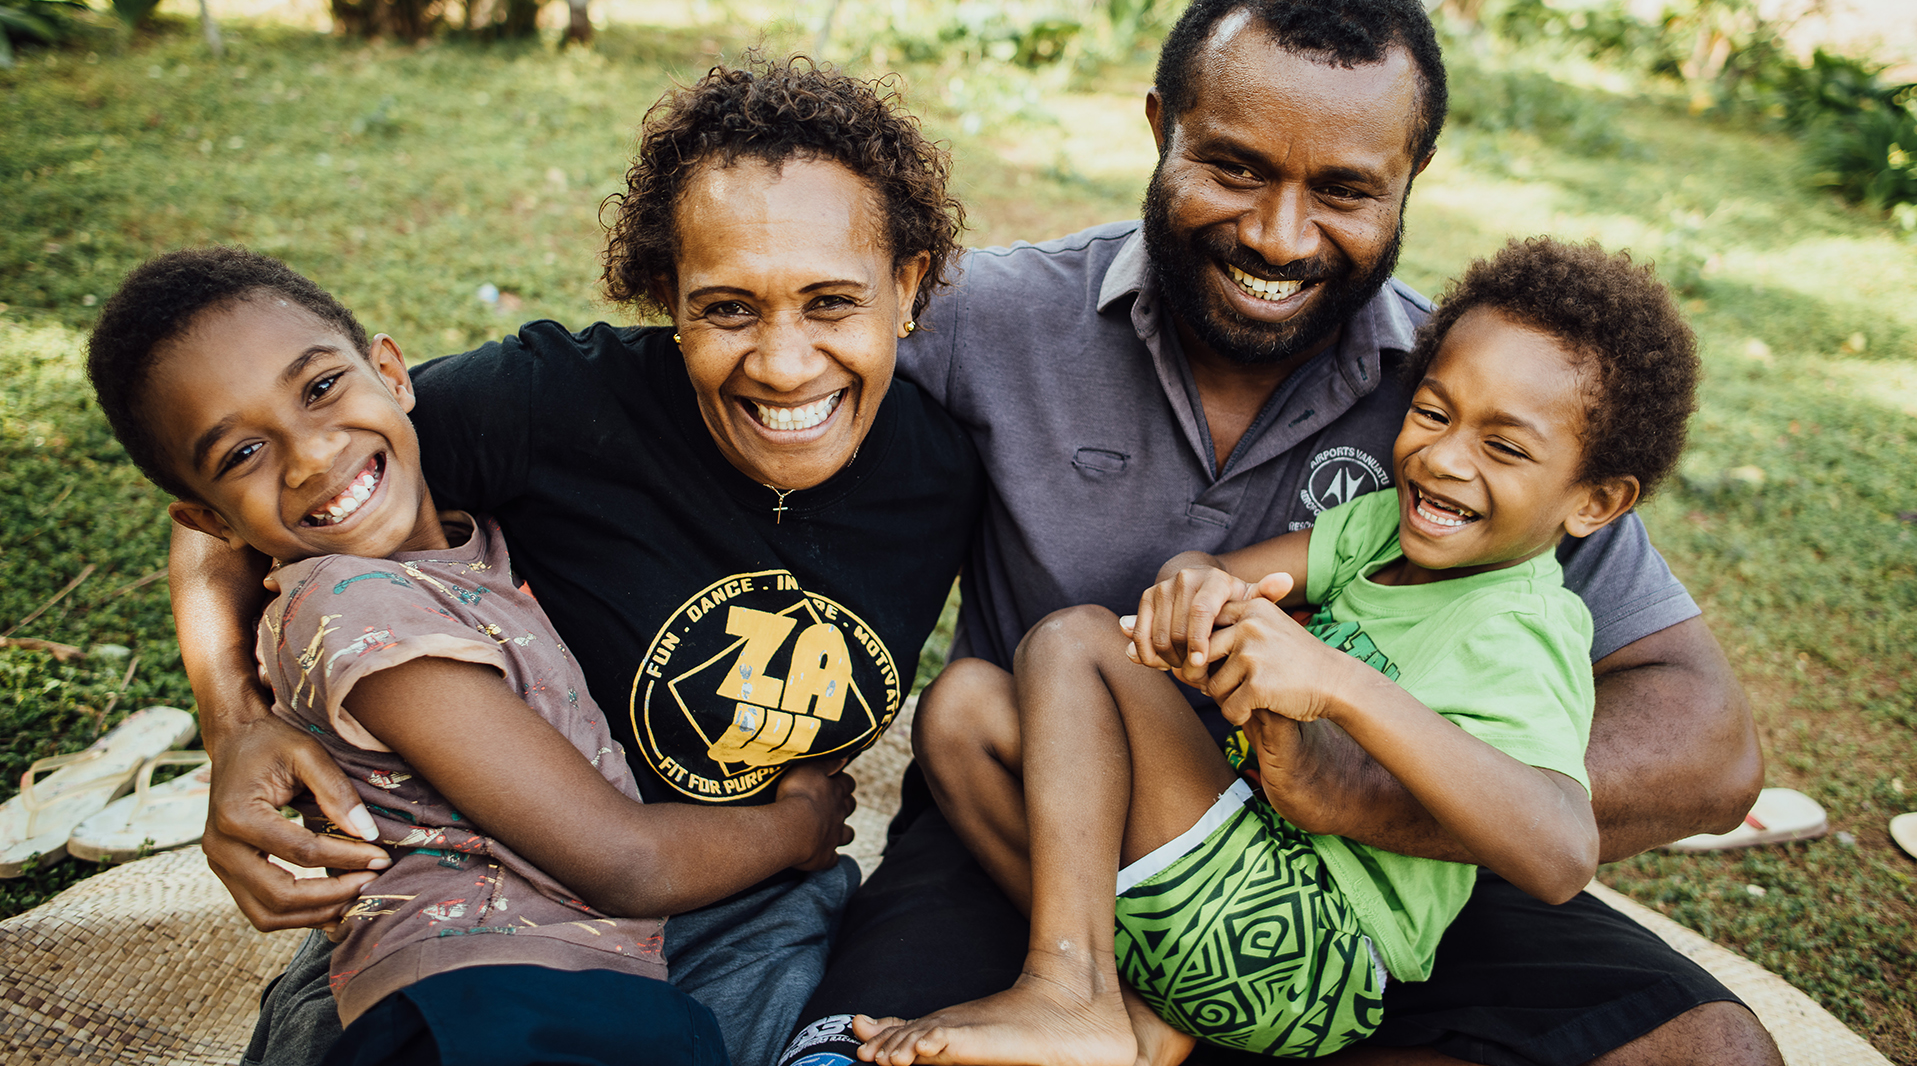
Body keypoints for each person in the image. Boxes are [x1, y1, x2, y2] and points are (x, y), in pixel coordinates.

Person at [783, 0, 1777, 1066]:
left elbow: (1709, 747)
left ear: (1411, 175)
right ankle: (1110, 1002)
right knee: (858, 1049)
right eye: (1236, 167)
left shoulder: (1475, 397)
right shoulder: (993, 318)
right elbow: (775, 357)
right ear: (1161, 128)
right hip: (1035, 825)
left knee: (1706, 1050)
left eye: (1344, 189)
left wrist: (1350, 787)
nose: (1278, 236)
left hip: (1358, 887)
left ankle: (1171, 1020)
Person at [164, 58, 985, 1066]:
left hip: (754, 902)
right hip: (489, 908)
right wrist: (234, 728)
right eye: (728, 308)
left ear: (906, 285)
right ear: (667, 297)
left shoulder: (948, 476)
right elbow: (238, 505)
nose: (783, 363)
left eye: (831, 303)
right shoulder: (551, 405)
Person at [853, 237, 1700, 1066]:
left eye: (1504, 447)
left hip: (1312, 951)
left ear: (1595, 502)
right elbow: (1220, 572)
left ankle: (1067, 989)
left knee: (1076, 639)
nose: (1444, 458)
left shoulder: (1524, 626)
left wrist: (1338, 684)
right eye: (1433, 412)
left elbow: (1561, 855)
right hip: (1219, 892)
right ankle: (1130, 1007)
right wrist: (1193, 586)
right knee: (962, 706)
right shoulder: (1379, 529)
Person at [87, 246, 847, 1065]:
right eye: (242, 454)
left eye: (320, 388)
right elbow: (625, 861)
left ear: (392, 372)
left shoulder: (467, 542)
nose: (309, 456)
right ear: (212, 521)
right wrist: (798, 827)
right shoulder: (355, 609)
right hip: (485, 1007)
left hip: (562, 986)